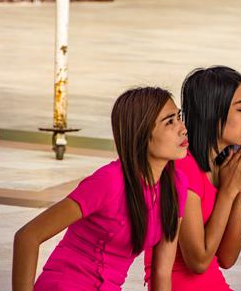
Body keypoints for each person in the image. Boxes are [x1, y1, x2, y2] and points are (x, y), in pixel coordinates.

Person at [12, 87, 189, 291]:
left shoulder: (176, 185)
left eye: (178, 116)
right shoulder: (109, 182)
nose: (182, 128)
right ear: (142, 134)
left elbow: (162, 273)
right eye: (170, 122)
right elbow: (28, 236)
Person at [145, 66, 241, 290]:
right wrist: (228, 192)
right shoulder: (183, 168)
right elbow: (197, 261)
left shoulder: (223, 166)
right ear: (213, 112)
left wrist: (239, 188)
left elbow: (227, 258)